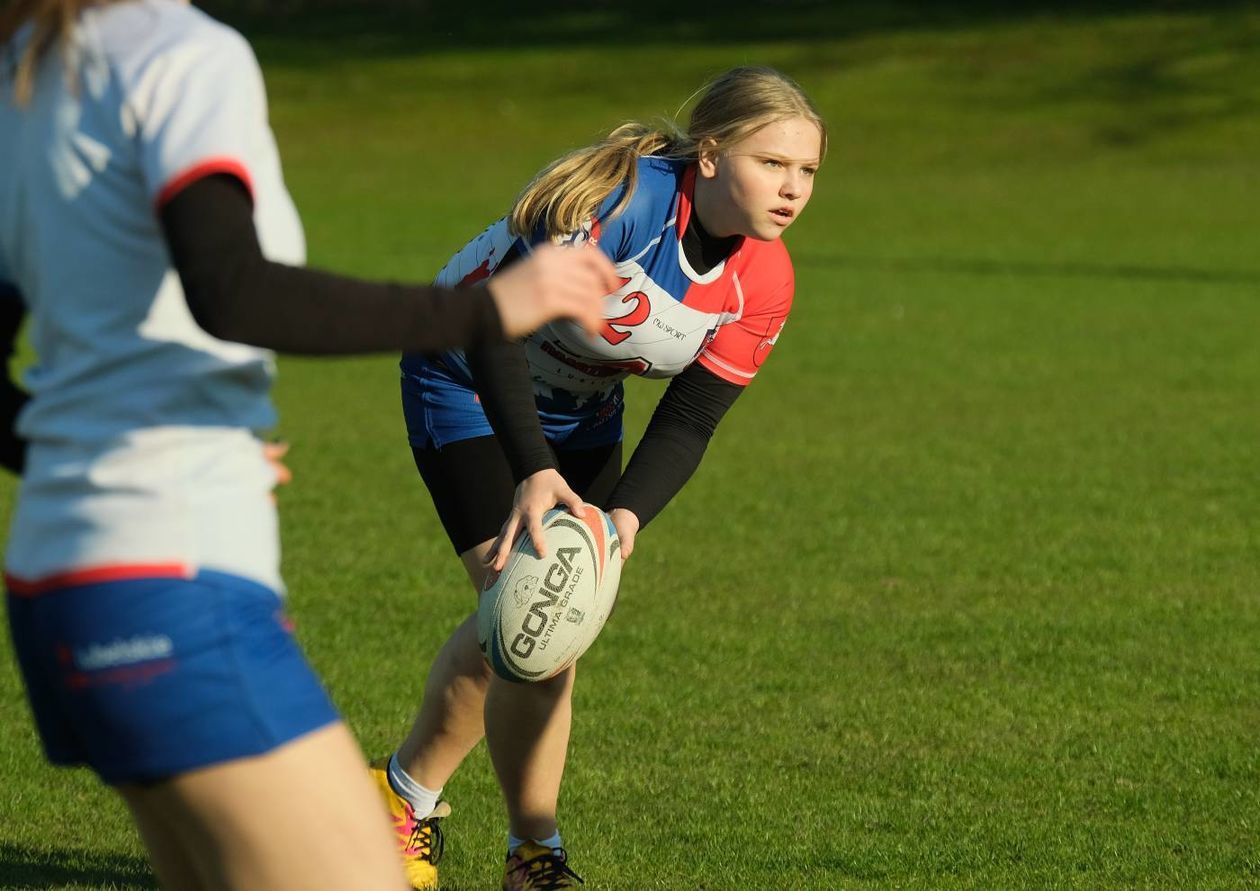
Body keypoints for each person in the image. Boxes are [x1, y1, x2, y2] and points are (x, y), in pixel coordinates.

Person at [0, 2, 617, 889]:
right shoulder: (179, 55)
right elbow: (231, 289)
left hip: (63, 579)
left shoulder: (32, 69)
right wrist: (483, 310)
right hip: (167, 583)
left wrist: (131, 448)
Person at [378, 65, 826, 890]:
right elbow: (493, 329)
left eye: (808, 171)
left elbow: (691, 420)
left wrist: (626, 519)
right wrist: (534, 473)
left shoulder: (764, 279)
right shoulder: (624, 208)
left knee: (553, 633)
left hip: (584, 410)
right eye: (775, 164)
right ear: (715, 154)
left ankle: (526, 850)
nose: (794, 188)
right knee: (529, 611)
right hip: (468, 374)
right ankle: (415, 806)